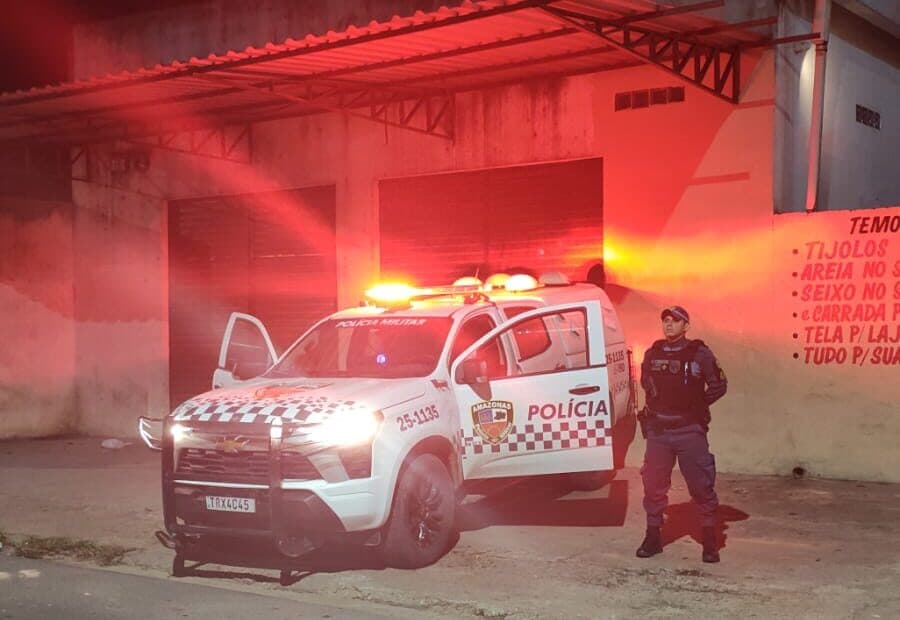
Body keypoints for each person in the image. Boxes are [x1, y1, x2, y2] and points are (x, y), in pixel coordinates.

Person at [635, 305, 728, 563]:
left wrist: (697, 404)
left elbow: (719, 385)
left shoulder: (699, 353)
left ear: (686, 326)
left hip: (689, 431)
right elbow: (646, 384)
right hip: (659, 432)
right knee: (653, 485)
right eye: (665, 321)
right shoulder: (653, 354)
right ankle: (653, 536)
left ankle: (710, 540)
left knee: (701, 485)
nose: (668, 325)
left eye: (675, 321)